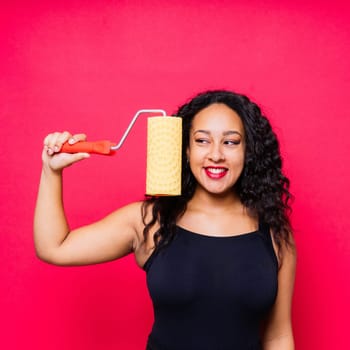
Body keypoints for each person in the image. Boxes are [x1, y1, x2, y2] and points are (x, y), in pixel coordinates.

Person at [34, 90, 296, 350]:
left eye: (230, 142)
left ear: (248, 151)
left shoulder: (273, 234)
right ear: (185, 149)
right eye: (202, 141)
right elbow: (54, 247)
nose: (216, 155)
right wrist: (51, 170)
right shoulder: (150, 221)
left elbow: (278, 337)